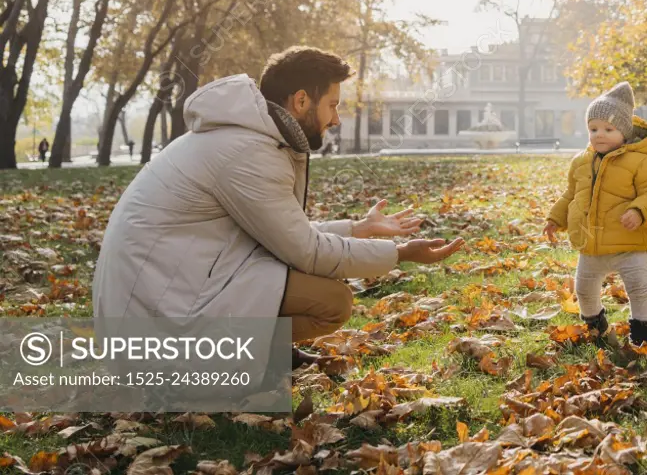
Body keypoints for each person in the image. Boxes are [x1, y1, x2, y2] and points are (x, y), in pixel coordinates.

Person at [93, 46, 464, 367]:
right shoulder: (247, 152)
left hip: (173, 287)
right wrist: (398, 254)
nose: (336, 119)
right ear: (301, 100)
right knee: (333, 301)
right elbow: (305, 251)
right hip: (156, 313)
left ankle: (261, 354)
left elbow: (283, 232)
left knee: (316, 285)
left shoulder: (248, 139)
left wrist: (358, 229)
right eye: (332, 105)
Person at [544, 82, 647, 346]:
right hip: (591, 244)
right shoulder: (581, 162)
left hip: (629, 243)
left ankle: (641, 334)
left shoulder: (641, 162)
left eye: (608, 129)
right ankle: (595, 327)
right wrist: (555, 218)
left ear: (624, 131)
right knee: (584, 289)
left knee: (638, 288)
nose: (599, 135)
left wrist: (639, 210)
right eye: (593, 129)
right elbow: (571, 195)